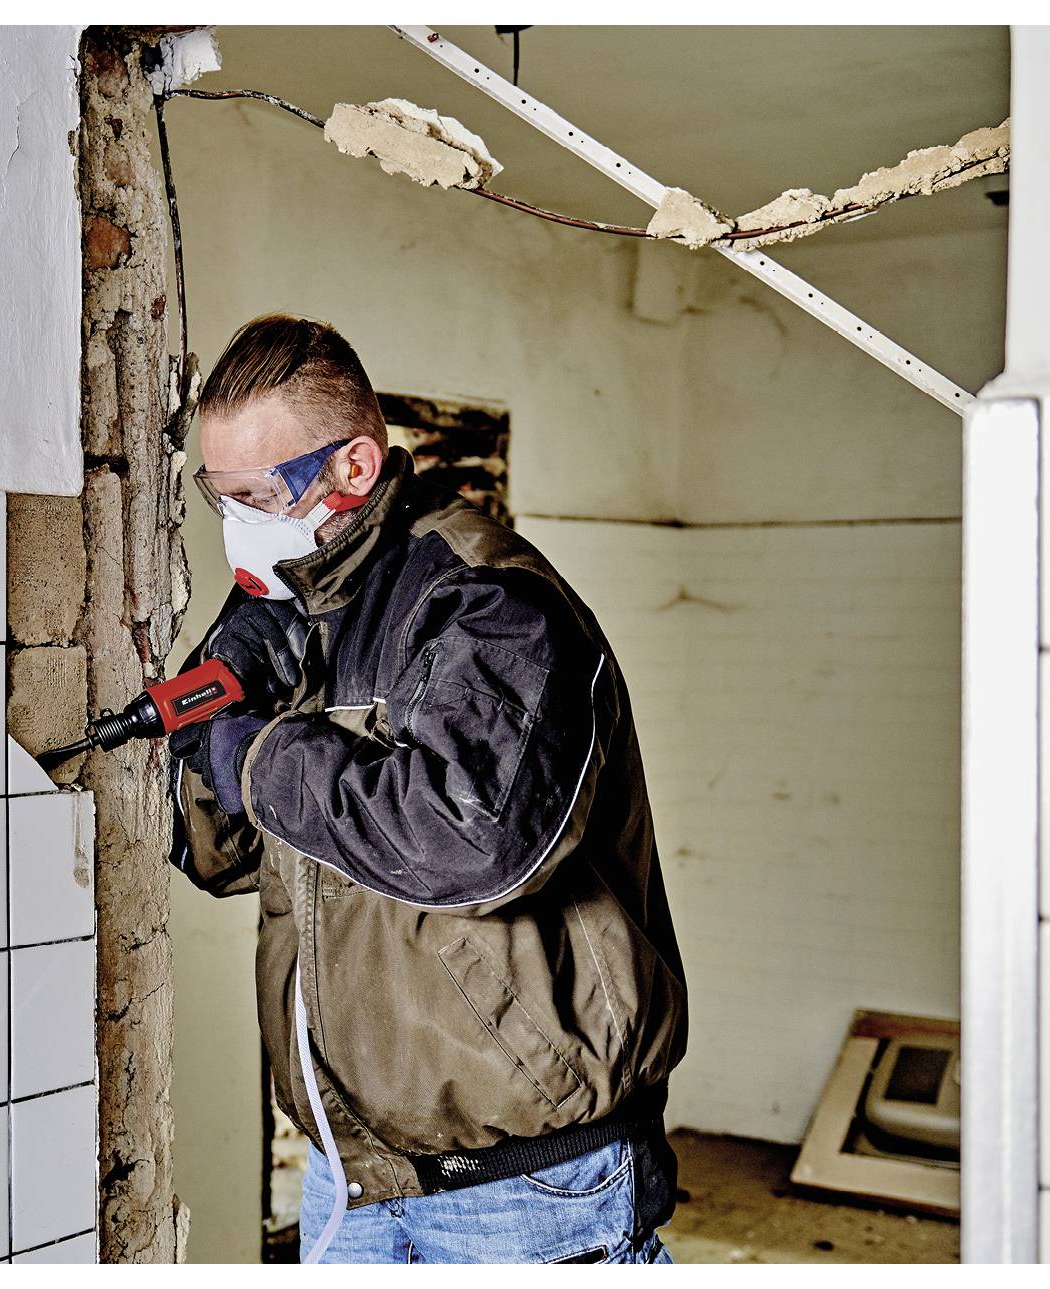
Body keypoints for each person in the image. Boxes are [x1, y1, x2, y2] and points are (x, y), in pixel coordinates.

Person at [168, 313, 688, 1265]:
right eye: (219, 493)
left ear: (353, 469)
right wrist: (230, 667)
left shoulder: (490, 604)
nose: (237, 519)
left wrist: (256, 754)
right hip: (353, 1174)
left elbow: (467, 843)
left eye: (256, 493)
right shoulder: (303, 614)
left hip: (524, 1190)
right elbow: (218, 854)